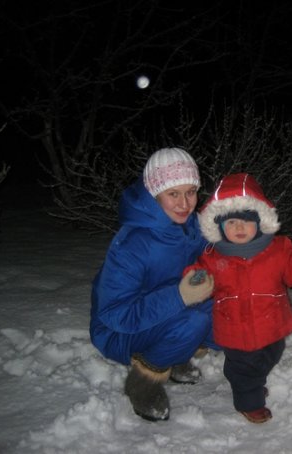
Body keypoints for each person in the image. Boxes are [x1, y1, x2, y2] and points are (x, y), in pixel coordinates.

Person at [183, 173, 292, 423]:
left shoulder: (278, 249)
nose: (239, 227)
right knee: (244, 368)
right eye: (231, 222)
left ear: (260, 221)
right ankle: (248, 401)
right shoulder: (213, 257)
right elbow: (200, 275)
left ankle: (248, 380)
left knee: (271, 355)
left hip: (272, 325)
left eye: (246, 221)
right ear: (219, 227)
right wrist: (196, 278)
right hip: (235, 329)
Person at [90, 147, 217, 422]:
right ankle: (143, 383)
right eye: (173, 194)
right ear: (154, 194)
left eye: (191, 192)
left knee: (224, 305)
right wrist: (179, 296)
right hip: (118, 332)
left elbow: (212, 251)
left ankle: (175, 354)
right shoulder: (133, 244)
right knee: (194, 320)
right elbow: (114, 314)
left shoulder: (191, 226)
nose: (185, 203)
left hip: (164, 313)